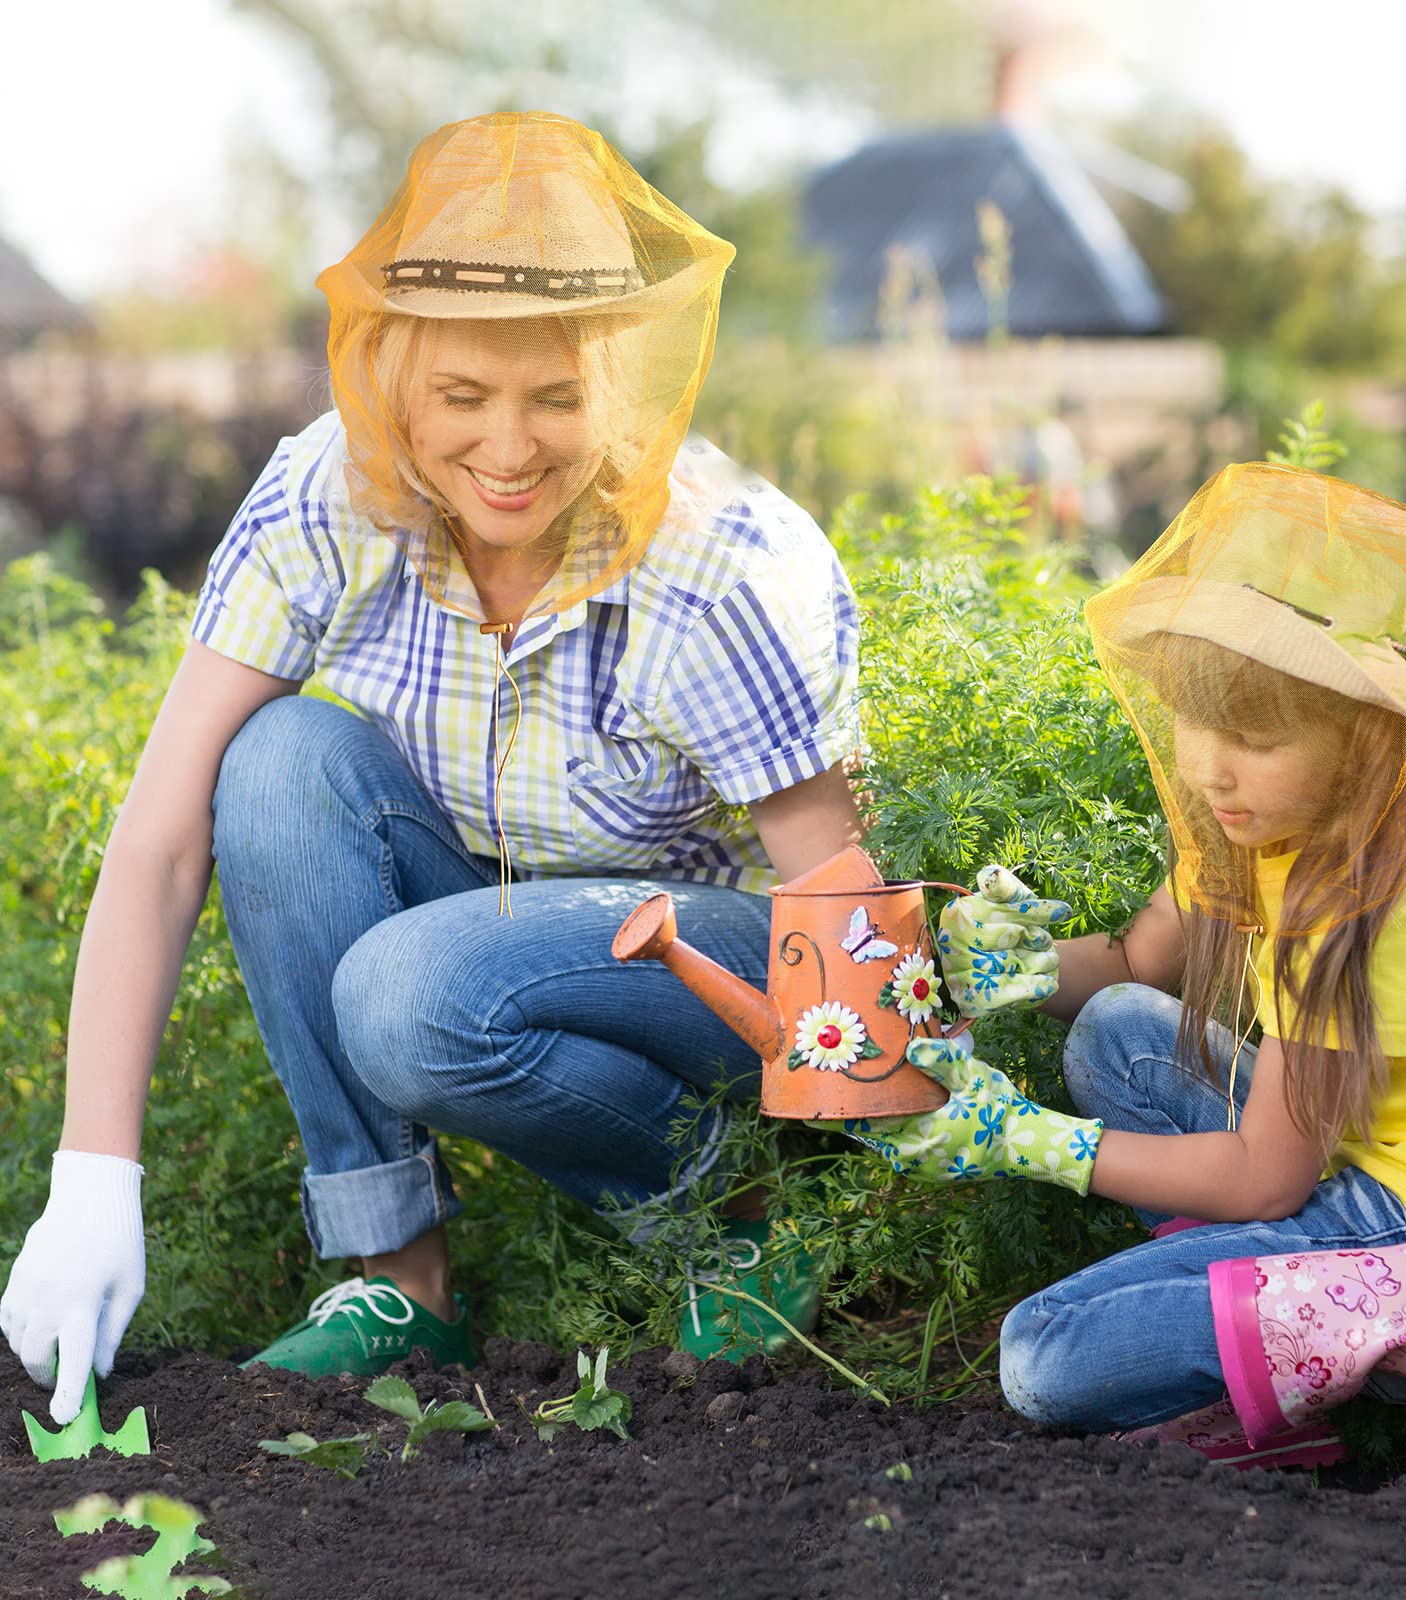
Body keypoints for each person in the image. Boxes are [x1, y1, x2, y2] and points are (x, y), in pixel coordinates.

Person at [1, 112, 864, 1424]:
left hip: (718, 976)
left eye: (555, 398)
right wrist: (91, 1174)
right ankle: (400, 1283)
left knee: (407, 997)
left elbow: (836, 898)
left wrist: (875, 1178)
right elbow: (163, 835)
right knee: (278, 760)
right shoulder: (330, 498)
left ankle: (731, 1211)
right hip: (495, 915)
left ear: (623, 385)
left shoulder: (720, 568)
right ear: (397, 378)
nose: (507, 449)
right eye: (463, 398)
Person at [832, 462, 1406, 1476]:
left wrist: (1023, 1140)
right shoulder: (1274, 816)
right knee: (1115, 1030)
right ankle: (1279, 1365)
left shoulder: (1369, 900)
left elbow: (1263, 1175)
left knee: (1038, 1357)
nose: (1207, 767)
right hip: (1383, 1154)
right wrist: (999, 967)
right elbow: (1137, 962)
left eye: (1252, 737)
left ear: (1362, 741)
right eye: (1194, 721)